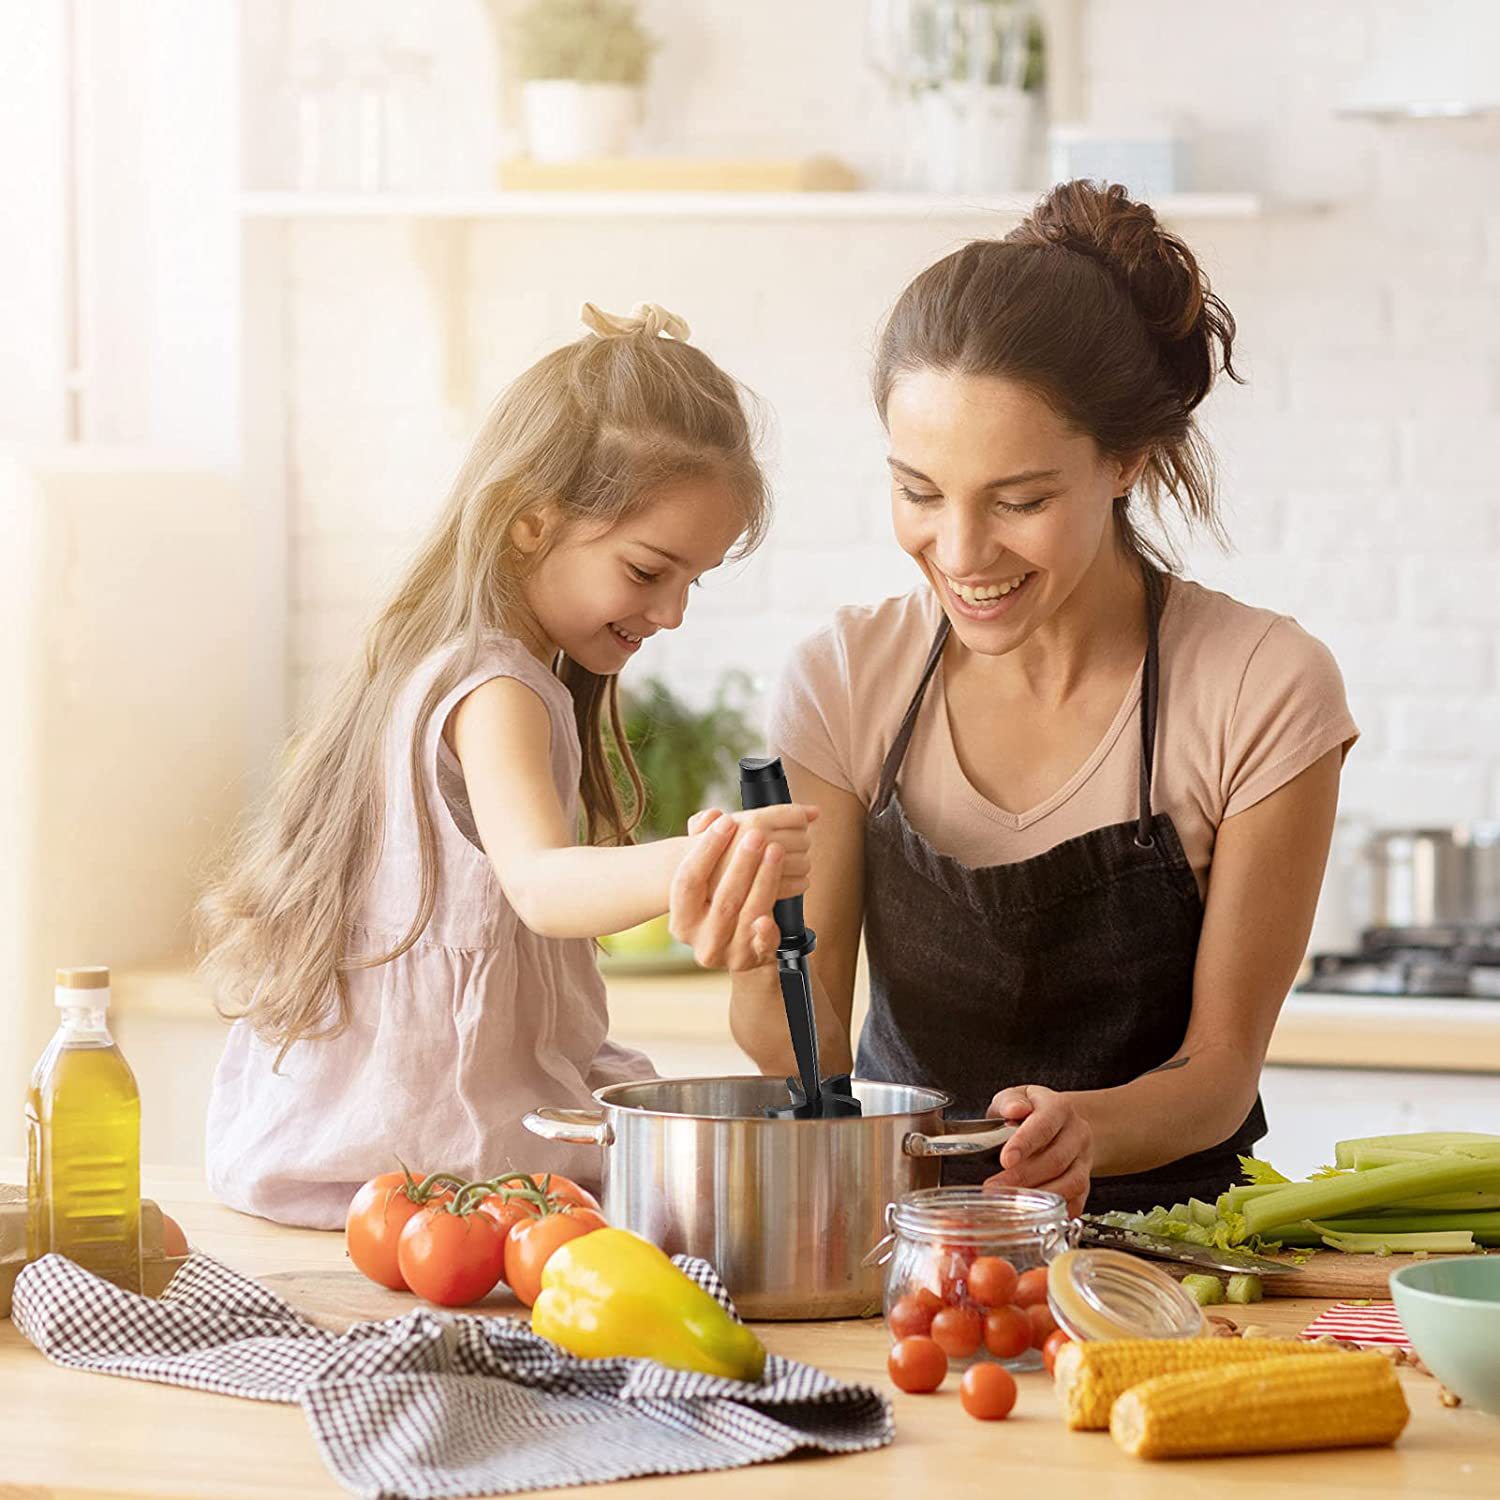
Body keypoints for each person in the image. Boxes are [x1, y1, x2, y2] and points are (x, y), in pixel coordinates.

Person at [725, 182, 1358, 1216]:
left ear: (1125, 463)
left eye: (1019, 501)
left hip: (1172, 1249)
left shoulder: (1261, 687)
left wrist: (1087, 1129)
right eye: (919, 493)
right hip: (902, 1245)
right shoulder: (845, 681)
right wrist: (759, 956)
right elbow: (812, 1054)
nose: (963, 554)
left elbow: (1219, 1072)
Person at [200, 302, 816, 1228]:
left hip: (352, 1141)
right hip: (439, 1151)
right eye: (649, 571)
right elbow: (539, 884)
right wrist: (705, 854)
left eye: (695, 578)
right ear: (532, 523)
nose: (675, 612)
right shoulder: (500, 686)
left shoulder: (440, 657)